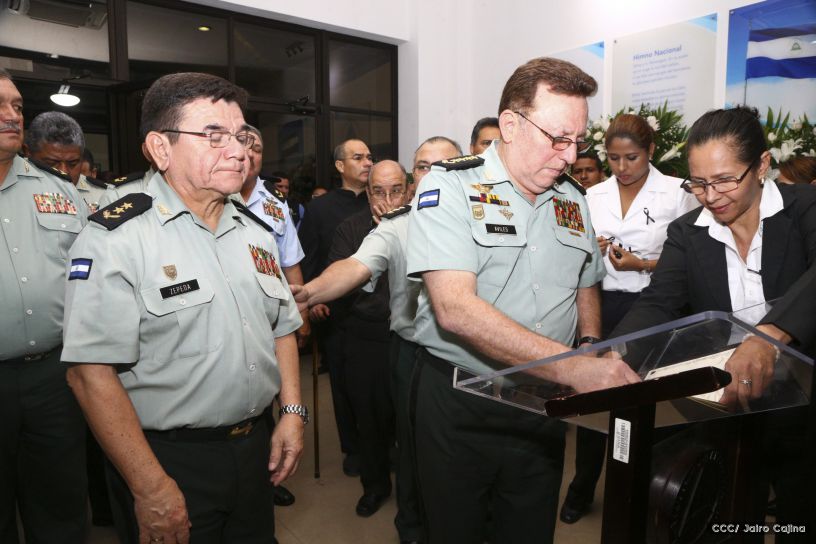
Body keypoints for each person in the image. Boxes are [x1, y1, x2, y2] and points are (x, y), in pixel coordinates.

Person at [61, 72, 306, 544]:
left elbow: (282, 327)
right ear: (160, 148)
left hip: (255, 445)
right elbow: (89, 375)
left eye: (241, 136)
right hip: (169, 457)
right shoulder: (117, 237)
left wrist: (293, 411)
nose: (238, 151)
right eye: (213, 137)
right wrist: (150, 485)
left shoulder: (255, 231)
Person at [405, 57, 639, 544]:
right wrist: (574, 369)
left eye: (577, 141)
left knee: (530, 529)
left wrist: (590, 342)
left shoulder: (572, 197)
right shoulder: (449, 186)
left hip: (542, 404)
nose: (570, 156)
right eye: (558, 138)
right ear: (510, 124)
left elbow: (586, 279)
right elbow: (453, 308)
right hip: (460, 400)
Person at [612, 106, 816, 540]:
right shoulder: (688, 232)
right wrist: (611, 356)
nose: (711, 195)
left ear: (761, 165)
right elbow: (659, 303)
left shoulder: (806, 208)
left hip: (807, 413)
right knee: (730, 521)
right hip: (730, 411)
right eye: (699, 183)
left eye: (725, 180)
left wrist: (769, 337)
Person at [559, 113, 700, 524]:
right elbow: (573, 253)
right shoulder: (592, 194)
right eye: (615, 158)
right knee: (593, 398)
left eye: (632, 158)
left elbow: (689, 262)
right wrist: (591, 248)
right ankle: (582, 486)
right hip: (601, 306)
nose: (622, 168)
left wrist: (643, 263)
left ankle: (651, 492)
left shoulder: (678, 193)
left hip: (656, 307)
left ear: (651, 152)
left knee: (649, 402)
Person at [293, 159, 422, 541]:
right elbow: (342, 276)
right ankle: (375, 486)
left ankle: (413, 499)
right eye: (378, 191)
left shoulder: (425, 223)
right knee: (370, 419)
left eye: (395, 190)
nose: (387, 198)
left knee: (412, 423)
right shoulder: (350, 229)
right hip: (366, 336)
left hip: (412, 337)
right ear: (367, 194)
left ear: (408, 189)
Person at [0, 68, 90, 543]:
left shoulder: (59, 191)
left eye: (16, 105)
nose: (11, 116)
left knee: (60, 503)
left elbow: (90, 276)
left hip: (55, 376)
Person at [239, 125, 311, 510]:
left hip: (272, 322)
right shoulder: (216, 195)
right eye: (242, 145)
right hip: (233, 322)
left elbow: (291, 265)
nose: (249, 154)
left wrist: (302, 319)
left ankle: (269, 475)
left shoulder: (275, 205)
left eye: (257, 148)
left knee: (272, 400)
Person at [298, 138, 372, 476]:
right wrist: (314, 303)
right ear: (340, 166)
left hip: (379, 311)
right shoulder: (320, 209)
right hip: (338, 312)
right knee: (343, 387)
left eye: (370, 156)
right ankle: (354, 448)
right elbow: (309, 259)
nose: (367, 162)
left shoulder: (381, 202)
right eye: (358, 157)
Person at [24, 111, 109, 212]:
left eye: (72, 164)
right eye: (51, 163)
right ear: (27, 153)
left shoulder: (103, 197)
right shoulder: (10, 191)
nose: (63, 172)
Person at [409, 136, 462, 201]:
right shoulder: (406, 211)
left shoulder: (473, 209)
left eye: (442, 167)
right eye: (423, 167)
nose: (432, 176)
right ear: (413, 174)